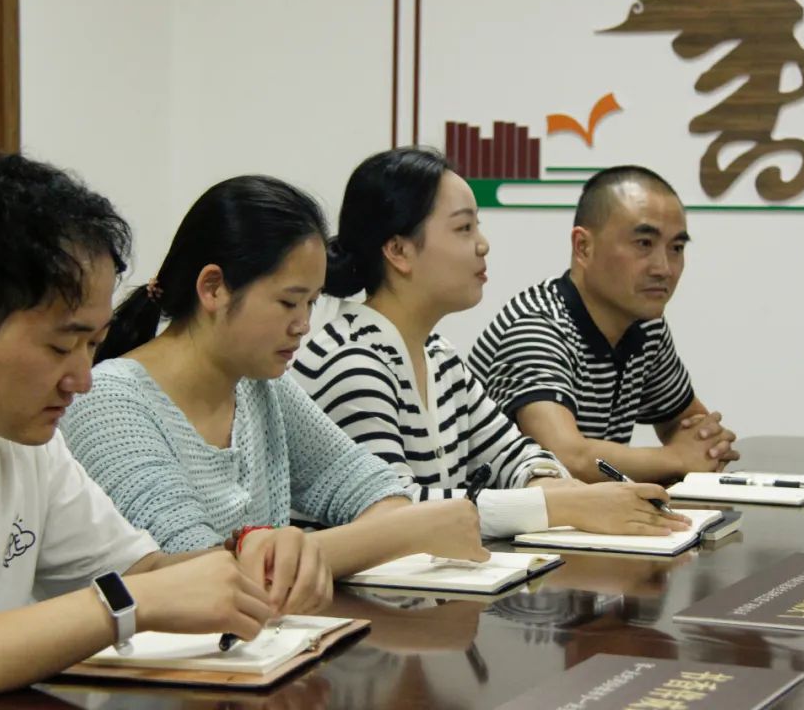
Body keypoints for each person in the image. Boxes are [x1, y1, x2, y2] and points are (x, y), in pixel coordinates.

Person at [0, 152, 337, 708]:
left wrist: (252, 557)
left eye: (93, 344)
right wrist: (124, 604)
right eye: (62, 346)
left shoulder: (20, 438)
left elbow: (144, 571)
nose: (83, 380)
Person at [61, 174, 488, 579]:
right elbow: (196, 575)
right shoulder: (108, 404)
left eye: (311, 303)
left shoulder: (261, 387)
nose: (303, 325)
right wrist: (406, 533)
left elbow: (377, 491)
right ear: (214, 288)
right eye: (288, 303)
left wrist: (393, 529)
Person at [292, 148, 690, 539]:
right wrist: (564, 505)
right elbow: (394, 515)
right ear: (399, 251)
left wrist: (558, 490)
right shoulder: (352, 361)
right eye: (464, 228)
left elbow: (517, 456)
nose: (483, 244)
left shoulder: (440, 357)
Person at [467, 165, 738, 484]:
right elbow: (564, 458)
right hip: (487, 515)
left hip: (583, 512)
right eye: (644, 244)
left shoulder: (646, 325)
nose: (664, 268)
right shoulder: (537, 326)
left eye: (676, 248)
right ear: (583, 247)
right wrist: (677, 459)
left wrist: (703, 447)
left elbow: (690, 425)